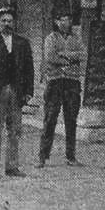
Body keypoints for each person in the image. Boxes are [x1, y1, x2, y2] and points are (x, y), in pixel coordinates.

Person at [0, 7, 35, 179]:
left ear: (14, 23)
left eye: (10, 20)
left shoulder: (22, 43)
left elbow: (29, 69)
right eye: (3, 21)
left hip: (16, 92)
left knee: (15, 130)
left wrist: (28, 92)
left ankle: (12, 166)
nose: (7, 24)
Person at [36, 12, 85, 168]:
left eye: (69, 19)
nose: (66, 22)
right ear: (57, 22)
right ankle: (42, 157)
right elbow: (50, 57)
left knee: (71, 119)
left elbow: (83, 55)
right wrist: (70, 59)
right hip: (55, 82)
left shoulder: (76, 38)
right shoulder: (51, 38)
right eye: (63, 19)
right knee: (50, 119)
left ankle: (71, 156)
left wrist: (64, 55)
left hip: (72, 82)